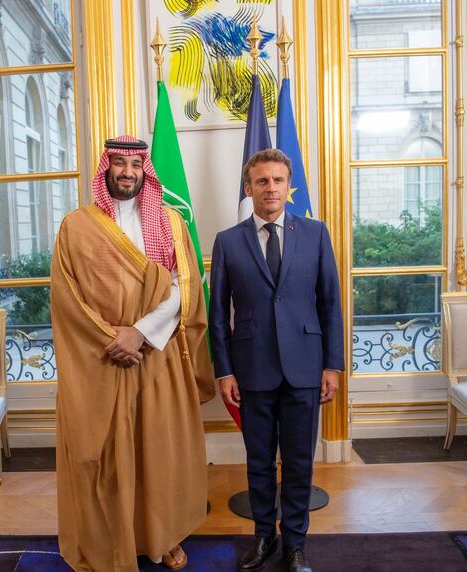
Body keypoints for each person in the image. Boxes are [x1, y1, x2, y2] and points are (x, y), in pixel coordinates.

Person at [51, 135, 215, 571]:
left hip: (156, 356)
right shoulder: (76, 225)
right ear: (106, 169)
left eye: (136, 165)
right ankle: (108, 541)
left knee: (161, 453)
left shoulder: (171, 222)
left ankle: (163, 538)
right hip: (101, 358)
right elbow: (67, 298)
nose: (127, 172)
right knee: (104, 458)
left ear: (146, 170)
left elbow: (187, 287)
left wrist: (139, 333)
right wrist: (113, 338)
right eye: (119, 163)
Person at [209, 149, 344, 572]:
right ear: (249, 189)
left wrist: (332, 365)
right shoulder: (228, 241)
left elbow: (330, 305)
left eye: (278, 180)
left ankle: (296, 545)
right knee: (259, 462)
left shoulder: (317, 234)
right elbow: (217, 314)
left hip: (306, 366)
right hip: (252, 370)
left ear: (289, 187)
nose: (270, 188)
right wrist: (224, 370)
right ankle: (264, 538)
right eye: (262, 181)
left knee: (301, 461)